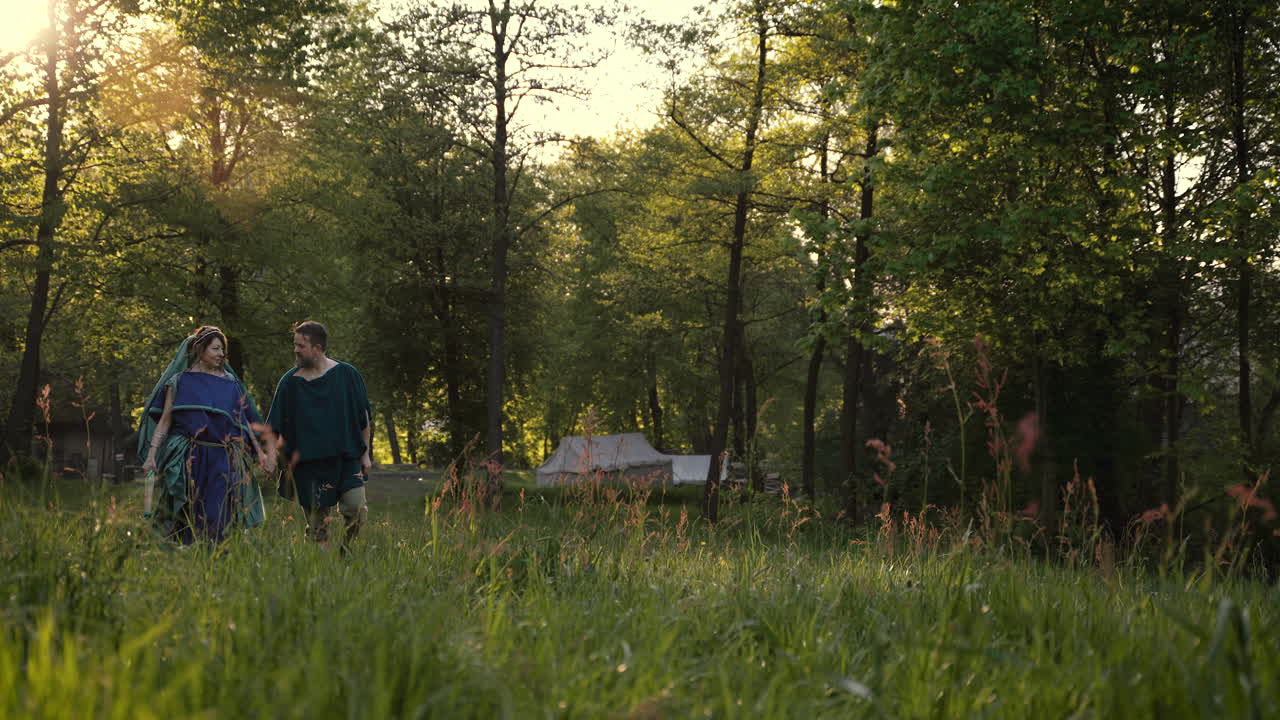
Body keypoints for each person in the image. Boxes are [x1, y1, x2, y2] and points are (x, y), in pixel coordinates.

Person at [138, 325, 270, 544]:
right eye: (215, 349)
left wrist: (261, 454)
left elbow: (244, 422)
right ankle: (187, 558)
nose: (221, 354)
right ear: (200, 349)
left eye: (222, 349)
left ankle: (216, 558)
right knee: (185, 515)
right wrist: (151, 456)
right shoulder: (179, 382)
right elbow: (165, 420)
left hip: (222, 460)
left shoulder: (231, 384)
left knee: (217, 517)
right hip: (188, 458)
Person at [267, 321, 372, 552]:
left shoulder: (347, 374)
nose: (295, 350)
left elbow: (363, 417)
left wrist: (365, 454)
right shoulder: (290, 382)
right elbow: (273, 426)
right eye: (295, 344)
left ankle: (345, 552)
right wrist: (271, 458)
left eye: (300, 346)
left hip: (346, 459)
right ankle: (323, 568)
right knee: (317, 528)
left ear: (317, 348)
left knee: (356, 510)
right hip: (308, 466)